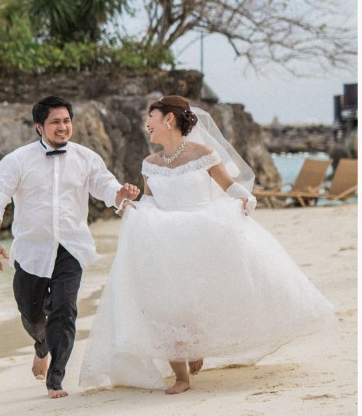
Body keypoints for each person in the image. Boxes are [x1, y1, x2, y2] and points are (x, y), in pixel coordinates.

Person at [78, 95, 335, 394]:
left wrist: (244, 199)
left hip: (202, 233)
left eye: (152, 118)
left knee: (197, 300)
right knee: (166, 306)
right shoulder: (150, 164)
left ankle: (196, 346)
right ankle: (181, 377)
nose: (147, 124)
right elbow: (148, 201)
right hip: (164, 240)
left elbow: (228, 185)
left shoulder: (204, 153)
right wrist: (130, 207)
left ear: (168, 120)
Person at [0, 95, 140, 399]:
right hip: (31, 252)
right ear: (39, 126)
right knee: (30, 314)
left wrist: (121, 194)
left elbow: (106, 187)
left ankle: (56, 379)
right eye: (55, 122)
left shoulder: (86, 158)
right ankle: (41, 345)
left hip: (71, 247)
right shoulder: (16, 160)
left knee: (65, 311)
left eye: (67, 121)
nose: (63, 127)